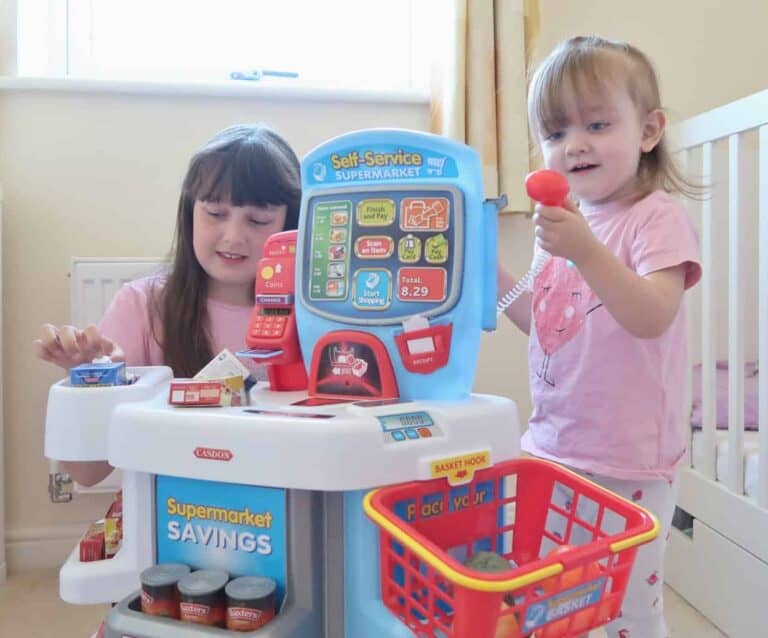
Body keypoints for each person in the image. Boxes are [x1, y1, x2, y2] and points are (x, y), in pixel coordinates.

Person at [498, 36, 701, 638]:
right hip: (552, 445)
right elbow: (547, 324)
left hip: (626, 458)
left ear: (648, 130)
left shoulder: (655, 217)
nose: (574, 145)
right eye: (555, 134)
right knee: (548, 594)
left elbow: (651, 315)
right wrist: (494, 277)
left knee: (625, 611)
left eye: (596, 123)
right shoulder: (570, 225)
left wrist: (585, 251)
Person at [34, 123, 301, 487]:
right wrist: (88, 385)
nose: (233, 236)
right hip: (173, 520)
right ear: (190, 211)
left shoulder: (315, 315)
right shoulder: (142, 305)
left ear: (291, 224)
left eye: (258, 220)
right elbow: (87, 474)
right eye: (215, 213)